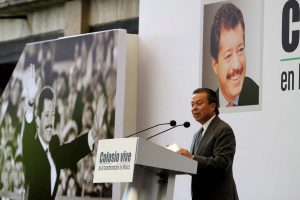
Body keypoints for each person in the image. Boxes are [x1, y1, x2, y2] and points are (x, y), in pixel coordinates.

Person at [21, 64, 106, 200]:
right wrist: (30, 104)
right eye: (46, 115)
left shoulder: (54, 149)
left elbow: (73, 150)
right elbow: (27, 140)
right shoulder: (33, 149)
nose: (50, 121)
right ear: (38, 120)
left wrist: (93, 133)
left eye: (53, 115)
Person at [177, 88, 238, 200]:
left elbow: (222, 163)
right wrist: (176, 157)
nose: (194, 108)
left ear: (212, 106)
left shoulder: (223, 129)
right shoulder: (197, 135)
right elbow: (196, 167)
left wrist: (192, 157)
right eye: (192, 104)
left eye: (199, 104)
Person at [210, 3, 258, 107]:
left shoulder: (257, 94)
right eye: (228, 56)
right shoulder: (209, 107)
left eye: (240, 50)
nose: (237, 65)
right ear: (215, 64)